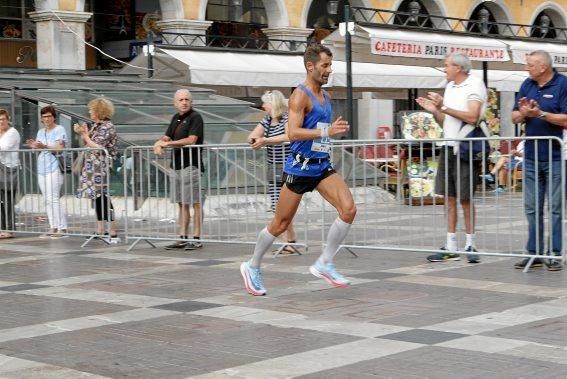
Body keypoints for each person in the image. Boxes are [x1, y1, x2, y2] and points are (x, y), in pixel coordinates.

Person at [240, 44, 355, 296]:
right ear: (310, 66)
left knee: (348, 209)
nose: (329, 70)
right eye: (325, 65)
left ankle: (325, 262)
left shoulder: (326, 97)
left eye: (330, 65)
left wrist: (328, 133)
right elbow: (293, 133)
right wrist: (327, 131)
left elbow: (315, 133)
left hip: (321, 167)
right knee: (280, 224)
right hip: (300, 169)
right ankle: (252, 266)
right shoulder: (299, 96)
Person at [416, 52, 487, 264]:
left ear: (458, 67)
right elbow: (445, 122)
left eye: (447, 65)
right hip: (447, 145)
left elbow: (473, 117)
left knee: (466, 199)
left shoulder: (475, 84)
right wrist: (435, 110)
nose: (444, 68)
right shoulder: (450, 87)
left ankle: (470, 243)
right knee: (448, 198)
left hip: (465, 147)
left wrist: (443, 107)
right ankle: (451, 244)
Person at [511, 50, 567, 271]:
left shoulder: (562, 84)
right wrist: (525, 113)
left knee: (555, 207)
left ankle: (554, 253)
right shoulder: (527, 84)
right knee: (532, 207)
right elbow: (514, 116)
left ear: (543, 67)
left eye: (531, 65)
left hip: (556, 156)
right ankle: (534, 252)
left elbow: (565, 117)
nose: (527, 68)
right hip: (532, 156)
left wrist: (541, 114)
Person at [248, 90, 299, 255]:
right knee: (280, 206)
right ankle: (289, 241)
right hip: (274, 167)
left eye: (266, 103)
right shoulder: (267, 120)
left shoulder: (286, 118)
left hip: (288, 167)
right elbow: (253, 135)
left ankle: (288, 242)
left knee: (283, 207)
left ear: (274, 104)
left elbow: (289, 136)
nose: (263, 106)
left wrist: (266, 140)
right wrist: (254, 139)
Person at [154, 89, 205, 251]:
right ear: (175, 103)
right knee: (181, 203)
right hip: (176, 166)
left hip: (191, 165)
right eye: (181, 100)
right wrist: (159, 142)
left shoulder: (195, 117)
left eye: (187, 99)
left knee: (195, 203)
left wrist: (167, 144)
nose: (184, 102)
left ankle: (196, 238)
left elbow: (192, 140)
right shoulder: (175, 118)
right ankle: (182, 237)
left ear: (191, 102)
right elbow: (167, 136)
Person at [74, 98, 119, 239]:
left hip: (102, 166)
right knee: (97, 198)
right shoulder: (97, 126)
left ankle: (112, 228)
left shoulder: (107, 126)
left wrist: (85, 135)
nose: (89, 112)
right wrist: (84, 133)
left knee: (104, 197)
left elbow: (97, 145)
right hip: (93, 166)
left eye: (91, 110)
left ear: (99, 111)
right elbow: (87, 144)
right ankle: (100, 228)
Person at [26, 106, 68, 238]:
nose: (46, 119)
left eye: (49, 116)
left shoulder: (59, 129)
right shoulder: (40, 132)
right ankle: (53, 226)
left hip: (54, 167)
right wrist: (34, 146)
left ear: (54, 117)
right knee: (47, 199)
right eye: (44, 117)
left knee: (54, 198)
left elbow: (59, 148)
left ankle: (62, 227)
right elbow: (38, 150)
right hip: (42, 168)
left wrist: (43, 146)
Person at [0, 109, 20, 239]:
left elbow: (4, 147)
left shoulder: (12, 132)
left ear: (8, 120)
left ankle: (10, 229)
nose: (1, 122)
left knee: (8, 199)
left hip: (8, 169)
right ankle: (2, 228)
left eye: (3, 119)